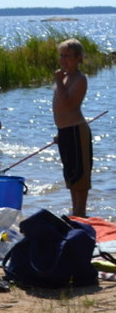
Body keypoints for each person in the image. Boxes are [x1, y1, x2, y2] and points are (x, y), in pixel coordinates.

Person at [53, 38, 92, 217]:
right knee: (70, 176)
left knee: (80, 177)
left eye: (67, 56)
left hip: (76, 130)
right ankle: (75, 213)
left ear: (78, 58)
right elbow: (60, 109)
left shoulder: (80, 79)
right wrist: (60, 132)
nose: (63, 60)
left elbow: (68, 104)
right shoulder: (64, 78)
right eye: (61, 56)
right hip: (65, 131)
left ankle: (80, 213)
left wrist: (59, 81)